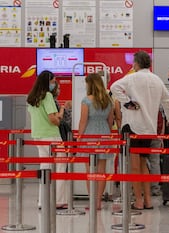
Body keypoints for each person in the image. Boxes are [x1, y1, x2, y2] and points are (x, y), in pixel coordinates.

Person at [110, 51, 169, 210]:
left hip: (133, 126)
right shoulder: (157, 80)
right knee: (144, 164)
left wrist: (128, 103)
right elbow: (168, 102)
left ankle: (138, 201)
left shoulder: (132, 77)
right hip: (149, 128)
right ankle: (148, 200)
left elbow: (114, 87)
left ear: (137, 64)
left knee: (134, 166)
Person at [26, 70, 68, 209]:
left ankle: (43, 201)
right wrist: (61, 112)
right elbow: (53, 119)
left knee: (45, 167)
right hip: (51, 136)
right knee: (60, 166)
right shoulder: (48, 96)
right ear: (47, 82)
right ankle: (58, 200)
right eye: (53, 81)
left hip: (38, 135)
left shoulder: (32, 97)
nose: (54, 84)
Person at [78, 73, 114, 210]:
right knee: (102, 170)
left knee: (90, 171)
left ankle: (92, 201)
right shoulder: (107, 100)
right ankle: (99, 201)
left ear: (90, 84)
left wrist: (80, 138)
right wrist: (107, 133)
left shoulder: (86, 101)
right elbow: (110, 121)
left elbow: (83, 121)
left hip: (90, 135)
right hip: (104, 134)